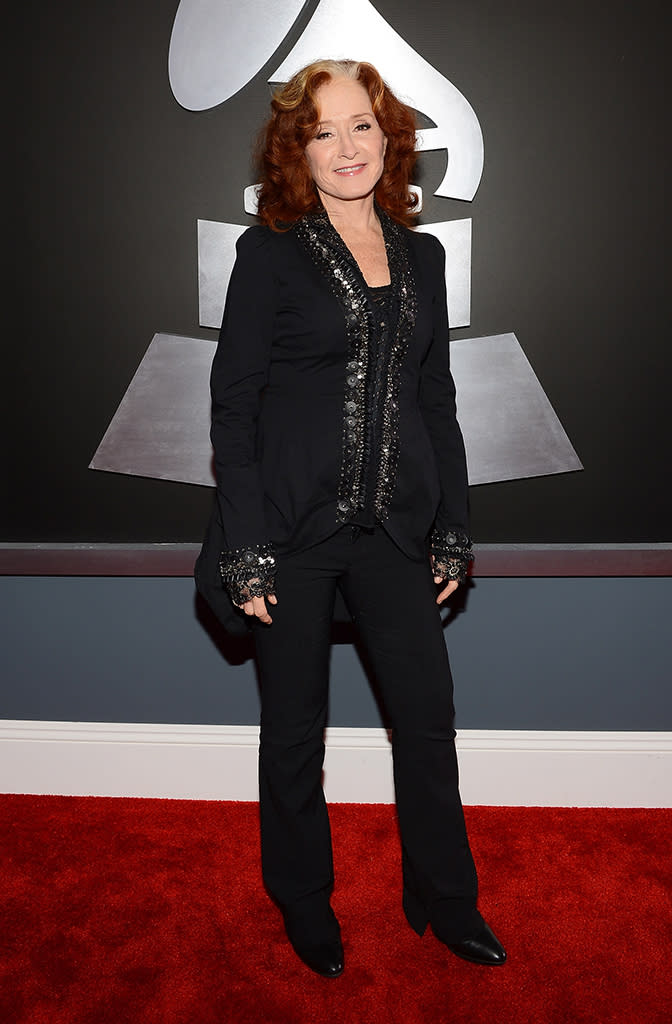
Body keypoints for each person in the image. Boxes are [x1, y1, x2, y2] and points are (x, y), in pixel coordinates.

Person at [209, 58, 506, 978]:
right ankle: (304, 901)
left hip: (394, 530)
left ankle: (445, 896)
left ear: (390, 139)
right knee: (293, 730)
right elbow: (234, 405)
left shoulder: (425, 254)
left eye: (364, 126)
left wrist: (454, 523)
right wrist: (247, 544)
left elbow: (437, 399)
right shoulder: (269, 251)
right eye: (324, 130)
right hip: (290, 533)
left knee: (429, 721)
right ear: (298, 148)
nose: (348, 147)